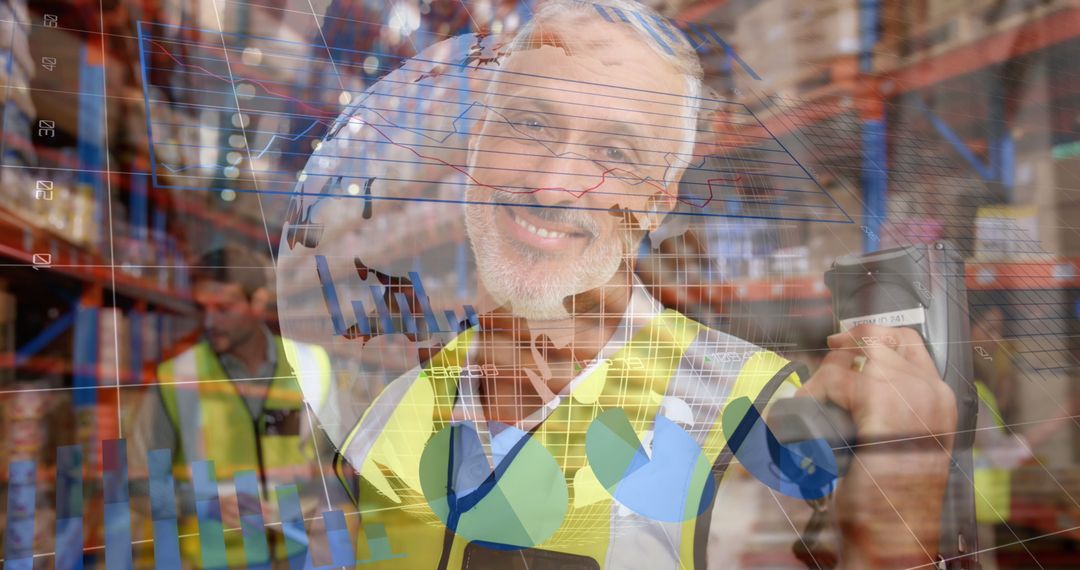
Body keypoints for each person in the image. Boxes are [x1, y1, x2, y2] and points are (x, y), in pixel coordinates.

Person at [299, 1, 959, 567]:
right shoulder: (385, 417)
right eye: (530, 124)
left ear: (662, 199)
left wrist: (900, 525)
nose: (554, 187)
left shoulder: (753, 417)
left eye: (616, 153)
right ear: (475, 145)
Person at [128, 246, 336, 568]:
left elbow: (335, 464)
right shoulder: (177, 378)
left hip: (300, 555)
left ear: (258, 303)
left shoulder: (311, 365)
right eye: (202, 308)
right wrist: (204, 504)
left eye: (224, 308)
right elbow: (138, 480)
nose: (210, 321)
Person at [969, 305, 1075, 569]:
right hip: (970, 510)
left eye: (1000, 331)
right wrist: (1062, 416)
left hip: (976, 510)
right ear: (965, 329)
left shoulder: (982, 388)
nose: (997, 339)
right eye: (990, 329)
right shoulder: (972, 391)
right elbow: (1000, 454)